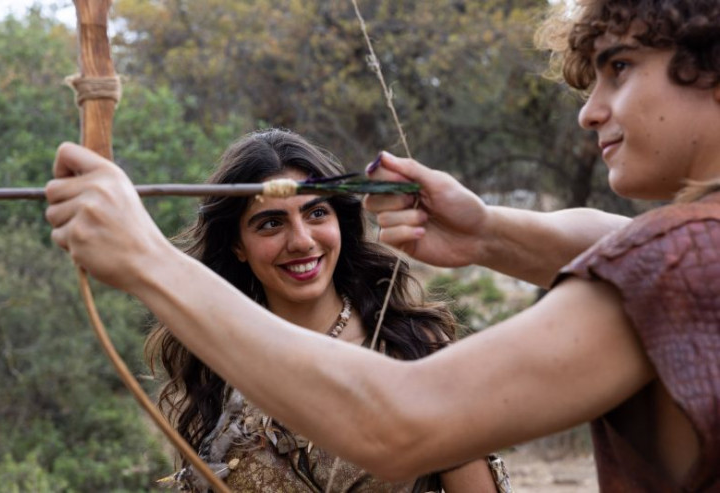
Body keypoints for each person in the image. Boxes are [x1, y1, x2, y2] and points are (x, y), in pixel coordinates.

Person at [44, 0, 719, 490]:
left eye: (620, 67)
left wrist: (147, 259)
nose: (590, 110)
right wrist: (484, 230)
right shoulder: (685, 254)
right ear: (239, 246)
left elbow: (398, 424)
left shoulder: (686, 258)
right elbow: (620, 245)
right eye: (270, 223)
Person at [141, 129, 501, 492]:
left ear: (339, 222)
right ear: (238, 245)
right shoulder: (220, 368)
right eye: (271, 223)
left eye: (316, 213)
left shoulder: (413, 347)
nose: (301, 241)